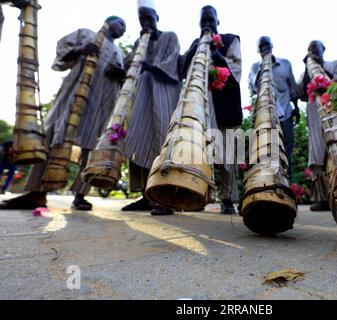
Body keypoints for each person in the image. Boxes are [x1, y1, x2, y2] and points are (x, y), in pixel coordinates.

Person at [0, 16, 127, 210]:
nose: (123, 29)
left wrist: (119, 74)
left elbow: (123, 81)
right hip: (74, 96)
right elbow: (62, 53)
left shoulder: (119, 53)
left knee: (91, 148)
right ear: (109, 22)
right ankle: (36, 193)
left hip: (102, 106)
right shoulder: (87, 34)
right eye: (121, 24)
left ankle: (80, 195)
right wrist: (80, 50)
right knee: (55, 137)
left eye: (125, 28)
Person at [179, 5, 243, 215]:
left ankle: (227, 199)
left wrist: (217, 55)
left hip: (225, 102)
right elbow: (183, 71)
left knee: (227, 152)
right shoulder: (196, 43)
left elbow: (235, 70)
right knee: (199, 148)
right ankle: (199, 195)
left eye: (210, 20)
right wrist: (196, 48)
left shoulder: (231, 39)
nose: (207, 24)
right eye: (203, 21)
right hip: (200, 102)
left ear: (218, 22)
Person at [121, 0, 181, 216]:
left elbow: (171, 65)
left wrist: (149, 66)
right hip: (142, 97)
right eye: (142, 19)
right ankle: (146, 195)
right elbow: (128, 65)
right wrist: (139, 49)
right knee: (138, 139)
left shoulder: (170, 36)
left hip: (165, 94)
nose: (146, 22)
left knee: (162, 141)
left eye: (149, 18)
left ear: (157, 18)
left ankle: (165, 196)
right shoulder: (140, 42)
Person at [298, 40, 337, 212]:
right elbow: (301, 93)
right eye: (310, 49)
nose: (312, 51)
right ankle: (321, 198)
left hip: (334, 109)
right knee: (317, 151)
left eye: (315, 48)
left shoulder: (336, 64)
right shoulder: (306, 70)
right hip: (314, 112)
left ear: (323, 50)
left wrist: (321, 71)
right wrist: (308, 67)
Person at [249, 36, 299, 180]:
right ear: (258, 50)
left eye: (267, 45)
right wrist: (263, 67)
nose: (265, 49)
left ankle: (287, 184)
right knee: (267, 150)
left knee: (287, 151)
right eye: (262, 46)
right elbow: (253, 87)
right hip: (265, 117)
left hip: (286, 115)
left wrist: (296, 108)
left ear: (272, 46)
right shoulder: (254, 67)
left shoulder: (285, 64)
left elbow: (293, 88)